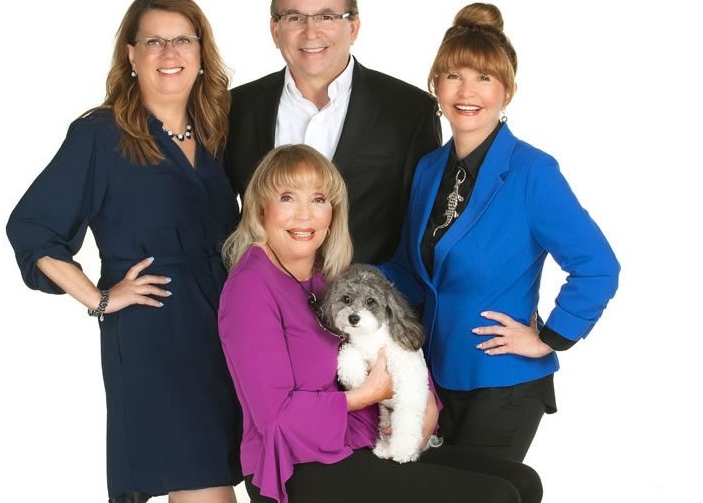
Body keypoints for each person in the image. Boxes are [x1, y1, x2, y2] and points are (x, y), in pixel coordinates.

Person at [7, 0, 242, 503]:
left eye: (182, 39)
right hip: (156, 337)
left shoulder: (216, 131)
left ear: (202, 54)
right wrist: (100, 298)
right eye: (152, 41)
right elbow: (31, 227)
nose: (168, 52)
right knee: (204, 490)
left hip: (224, 330)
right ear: (131, 56)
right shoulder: (100, 133)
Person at [218, 144, 543, 503]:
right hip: (298, 462)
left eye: (319, 199)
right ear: (261, 207)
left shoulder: (326, 280)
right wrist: (364, 396)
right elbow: (274, 418)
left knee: (523, 483)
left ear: (333, 213)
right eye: (288, 198)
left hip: (359, 440)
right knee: (494, 497)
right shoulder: (251, 286)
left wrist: (428, 402)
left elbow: (387, 344)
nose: (305, 215)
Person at [383, 4, 620, 461]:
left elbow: (597, 267)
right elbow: (411, 272)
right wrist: (335, 279)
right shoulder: (429, 169)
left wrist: (550, 338)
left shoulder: (533, 171)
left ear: (507, 91)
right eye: (453, 76)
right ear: (435, 85)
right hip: (433, 378)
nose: (466, 91)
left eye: (484, 79)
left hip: (506, 384)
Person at [225, 0, 440, 262]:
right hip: (261, 306)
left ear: (352, 26)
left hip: (369, 304)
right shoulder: (235, 108)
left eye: (326, 16)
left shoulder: (410, 112)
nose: (311, 32)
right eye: (294, 17)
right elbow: (211, 218)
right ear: (275, 30)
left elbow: (428, 233)